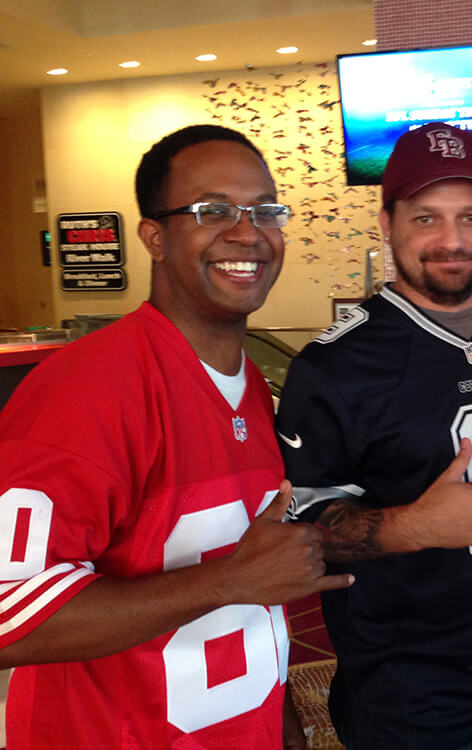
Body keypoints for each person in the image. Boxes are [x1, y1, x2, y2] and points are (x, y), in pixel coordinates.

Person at [0, 124, 353, 749]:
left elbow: (255, 591)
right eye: (212, 210)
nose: (247, 232)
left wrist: (281, 726)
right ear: (154, 237)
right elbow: (8, 619)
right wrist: (228, 582)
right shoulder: (85, 390)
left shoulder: (252, 384)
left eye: (265, 209)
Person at [275, 122, 472, 749]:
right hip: (417, 703)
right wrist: (411, 526)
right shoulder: (334, 366)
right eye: (426, 219)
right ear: (387, 222)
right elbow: (299, 539)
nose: (453, 240)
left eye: (471, 217)